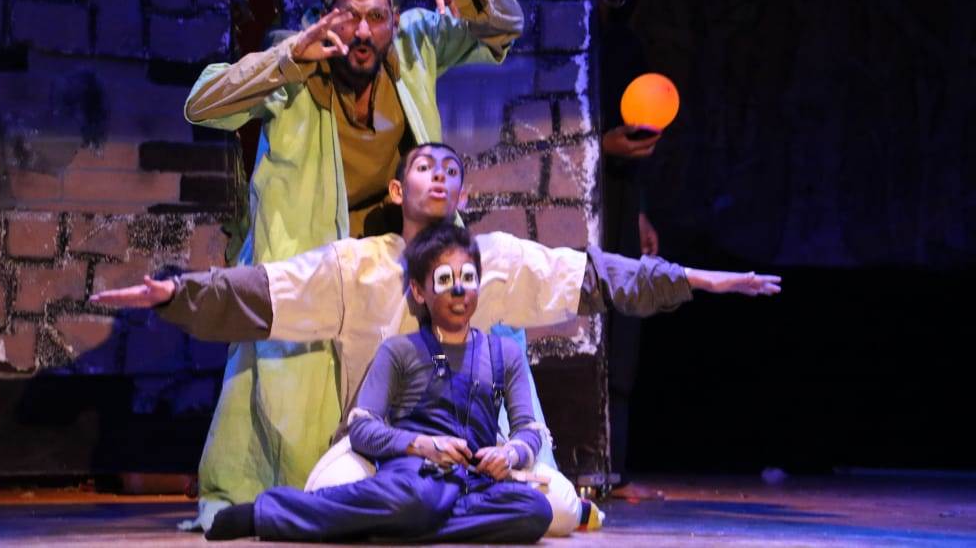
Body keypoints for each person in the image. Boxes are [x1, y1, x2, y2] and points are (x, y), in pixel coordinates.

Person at [92, 142, 781, 534]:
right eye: (426, 167)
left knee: (550, 509)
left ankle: (411, 523)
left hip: (471, 466)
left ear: (463, 194)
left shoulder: (496, 263)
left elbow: (595, 275)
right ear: (398, 189)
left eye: (452, 170)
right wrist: (177, 293)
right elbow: (263, 292)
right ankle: (287, 514)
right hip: (377, 455)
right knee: (368, 493)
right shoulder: (356, 266)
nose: (441, 177)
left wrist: (699, 279)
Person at [181, 0, 525, 525]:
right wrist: (288, 58)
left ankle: (464, 481)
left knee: (470, 344)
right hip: (316, 263)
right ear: (326, 16)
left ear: (395, 18)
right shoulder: (297, 60)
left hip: (402, 259)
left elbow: (506, 26)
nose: (363, 32)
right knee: (295, 403)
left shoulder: (415, 44)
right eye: (348, 16)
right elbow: (202, 105)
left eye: (376, 16)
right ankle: (293, 505)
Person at [202, 223, 553, 543]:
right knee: (419, 500)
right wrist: (422, 445)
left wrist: (510, 453)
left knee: (534, 511)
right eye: (445, 279)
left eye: (468, 277)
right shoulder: (399, 350)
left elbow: (528, 429)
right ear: (419, 291)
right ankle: (267, 513)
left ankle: (394, 526)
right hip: (416, 475)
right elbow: (362, 427)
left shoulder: (503, 353)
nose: (459, 290)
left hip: (474, 482)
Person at [596, 0, 664, 496]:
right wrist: (599, 145)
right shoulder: (564, 45)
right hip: (573, 204)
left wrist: (639, 208)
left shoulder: (627, 46)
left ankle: (611, 464)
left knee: (622, 326)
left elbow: (635, 134)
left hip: (616, 201)